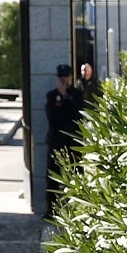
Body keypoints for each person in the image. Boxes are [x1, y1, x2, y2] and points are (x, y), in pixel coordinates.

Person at [44, 63, 85, 219]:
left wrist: (66, 98)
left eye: (66, 76)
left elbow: (78, 114)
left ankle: (77, 209)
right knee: (53, 176)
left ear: (70, 77)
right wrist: (65, 111)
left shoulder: (77, 94)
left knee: (76, 175)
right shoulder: (52, 96)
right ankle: (51, 210)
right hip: (56, 141)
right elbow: (52, 117)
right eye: (61, 77)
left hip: (73, 142)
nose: (64, 80)